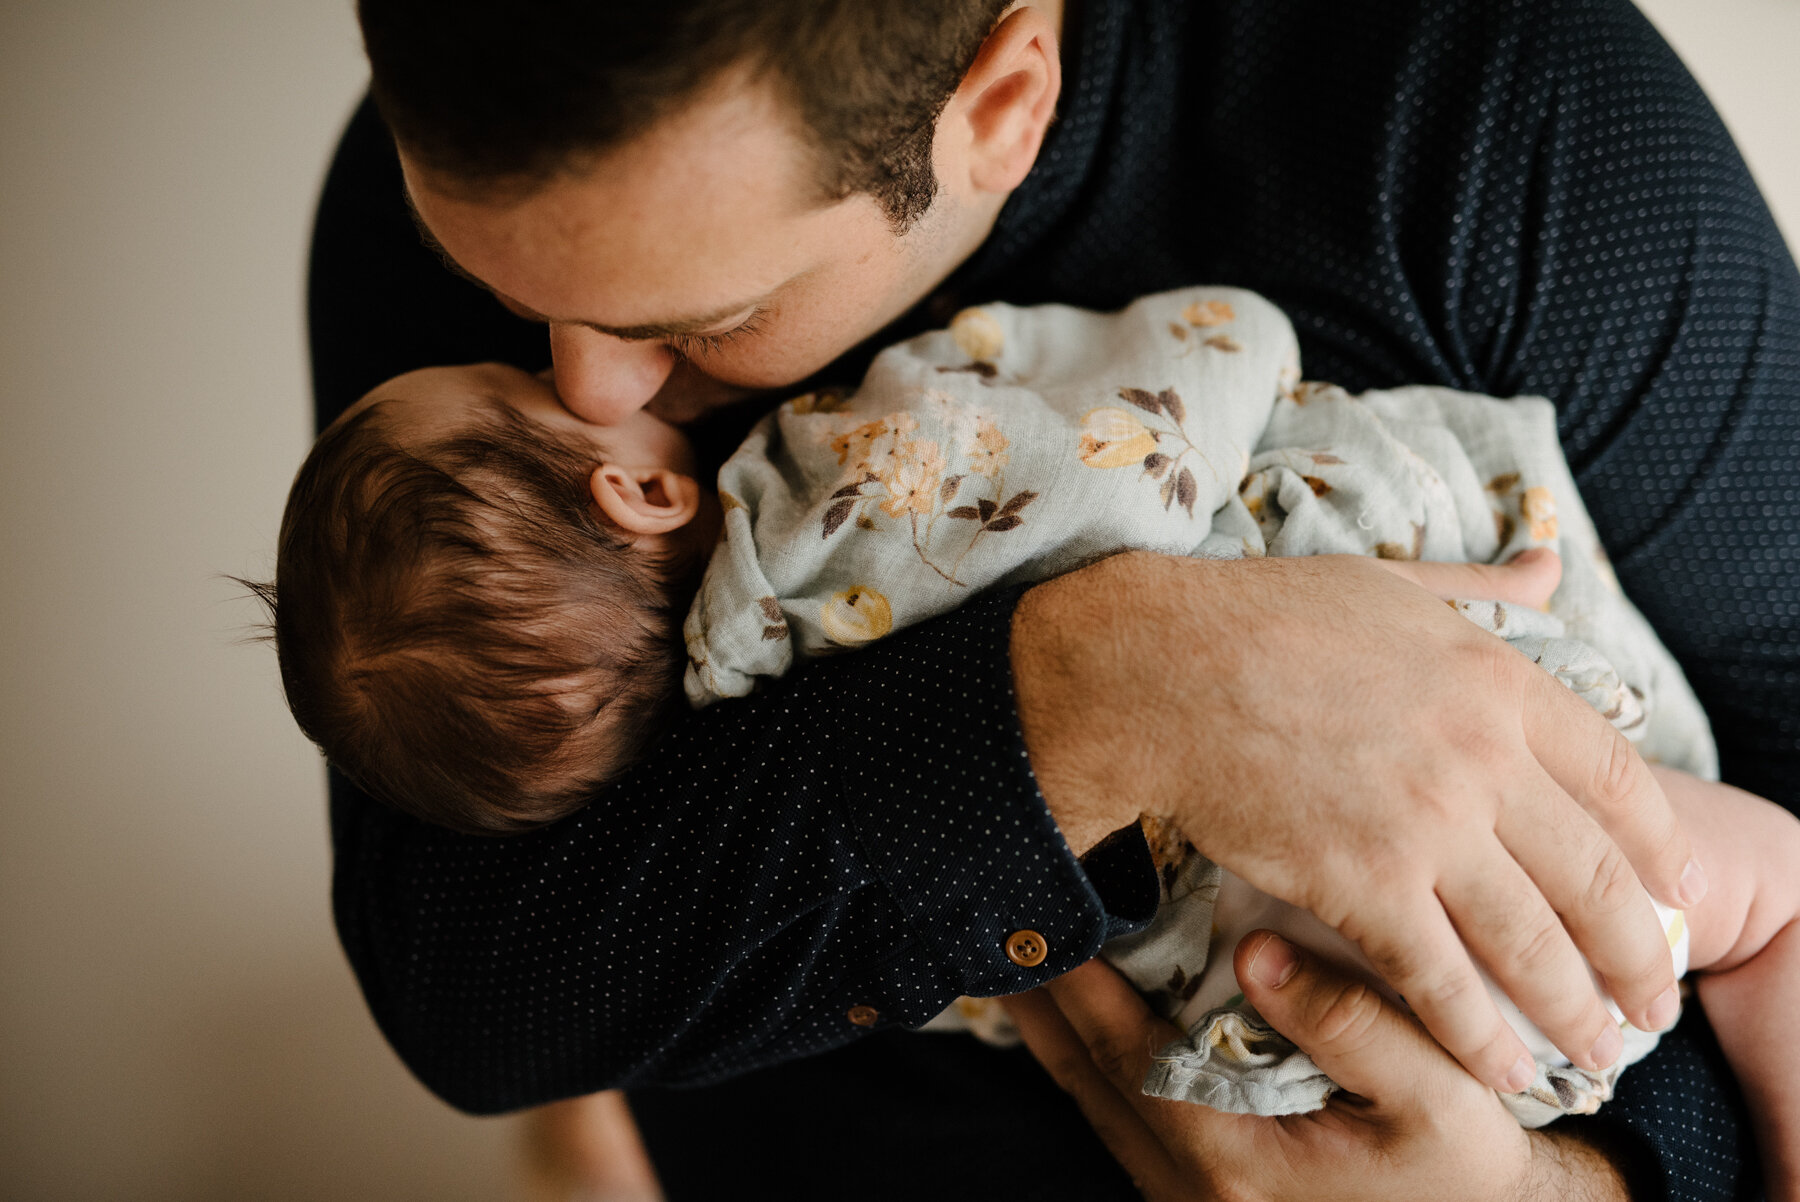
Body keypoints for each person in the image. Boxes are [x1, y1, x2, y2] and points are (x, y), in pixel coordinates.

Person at [309, 0, 1799, 1196]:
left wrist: (1577, 1186)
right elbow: (467, 971)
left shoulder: (1501, 118)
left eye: (702, 319)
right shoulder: (484, 134)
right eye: (510, 305)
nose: (586, 384)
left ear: (1005, 104)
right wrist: (1106, 689)